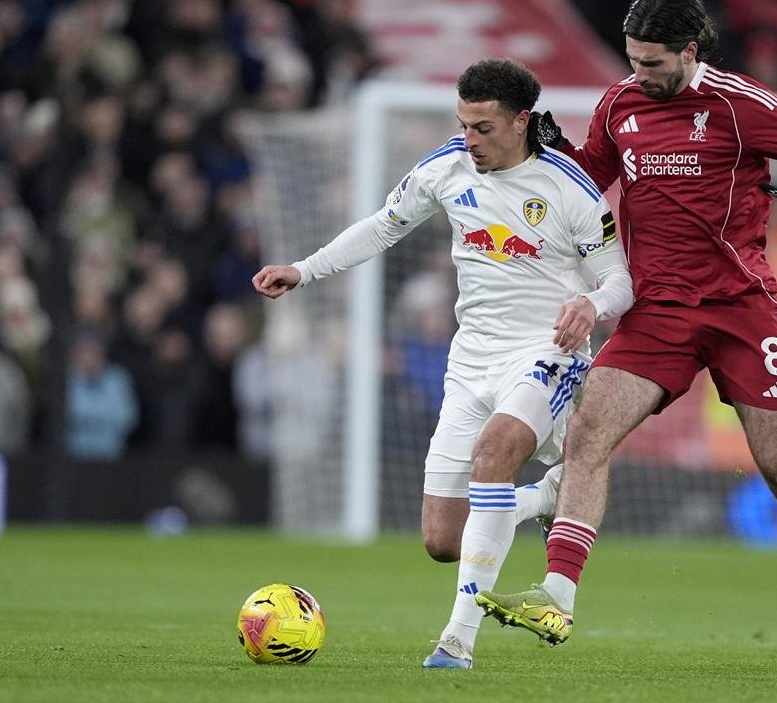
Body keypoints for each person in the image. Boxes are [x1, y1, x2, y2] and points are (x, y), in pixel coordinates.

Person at [476, 0, 777, 673]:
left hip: (741, 309)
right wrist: (551, 156)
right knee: (588, 432)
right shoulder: (620, 105)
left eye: (651, 64)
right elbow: (593, 176)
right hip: (658, 313)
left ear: (690, 50)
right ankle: (556, 596)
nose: (638, 75)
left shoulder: (741, 106)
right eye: (632, 61)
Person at [252, 58, 633, 670]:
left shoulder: (569, 187)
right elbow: (383, 226)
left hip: (546, 353)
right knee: (442, 541)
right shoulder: (445, 167)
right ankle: (545, 497)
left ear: (520, 122)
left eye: (482, 127)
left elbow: (621, 280)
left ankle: (456, 641)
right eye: (463, 124)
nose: (470, 139)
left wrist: (591, 303)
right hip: (470, 361)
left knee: (494, 453)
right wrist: (304, 269)